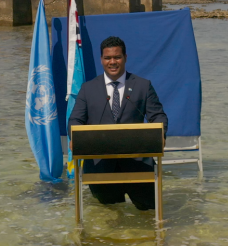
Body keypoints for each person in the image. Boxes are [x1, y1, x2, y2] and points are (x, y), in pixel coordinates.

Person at [68, 36, 168, 211]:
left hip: (138, 166)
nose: (112, 62)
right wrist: (74, 137)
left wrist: (160, 136)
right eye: (107, 58)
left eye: (117, 57)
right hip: (100, 167)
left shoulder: (143, 86)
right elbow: (75, 120)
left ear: (125, 58)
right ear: (101, 60)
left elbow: (158, 117)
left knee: (149, 216)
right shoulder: (87, 89)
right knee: (109, 219)